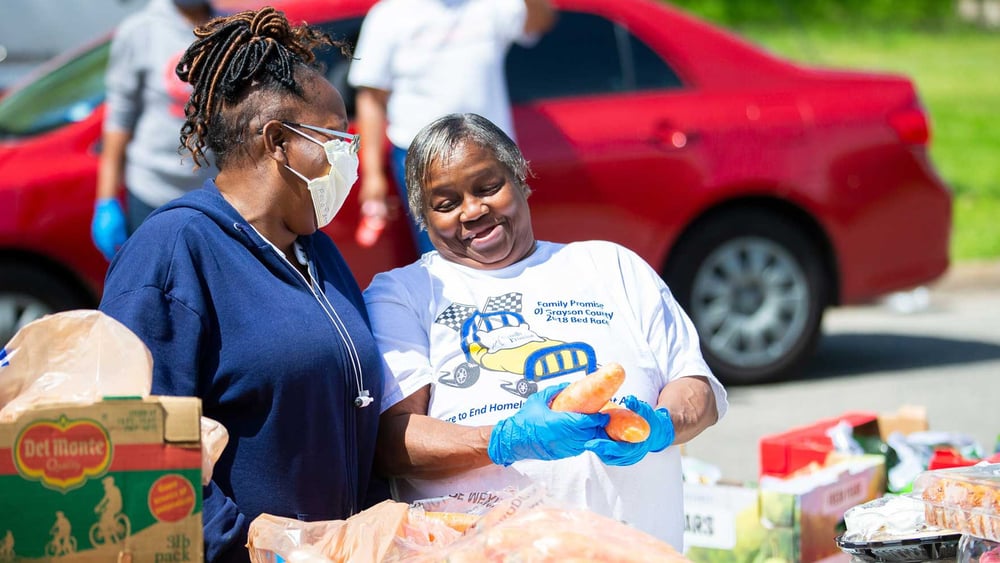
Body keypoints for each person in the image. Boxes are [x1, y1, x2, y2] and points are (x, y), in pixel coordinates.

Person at [99, 8, 401, 562]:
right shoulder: (174, 251)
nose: (352, 155)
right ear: (278, 141)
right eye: (336, 136)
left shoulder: (314, 248)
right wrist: (250, 549)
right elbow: (135, 448)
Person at [365, 113, 728, 550]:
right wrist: (505, 439)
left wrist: (661, 426)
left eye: (487, 187)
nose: (473, 211)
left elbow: (696, 387)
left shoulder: (611, 266)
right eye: (446, 204)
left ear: (520, 177)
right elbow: (392, 442)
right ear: (422, 216)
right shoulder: (404, 294)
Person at [347, 0, 555, 255]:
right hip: (424, 158)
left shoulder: (490, 5)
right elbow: (371, 97)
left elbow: (539, 21)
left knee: (508, 242)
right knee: (448, 253)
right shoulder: (389, 15)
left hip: (489, 151)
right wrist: (372, 176)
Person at [91, 0, 220, 261]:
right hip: (152, 194)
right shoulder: (140, 30)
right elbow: (119, 121)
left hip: (214, 197)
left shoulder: (227, 29)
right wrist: (105, 200)